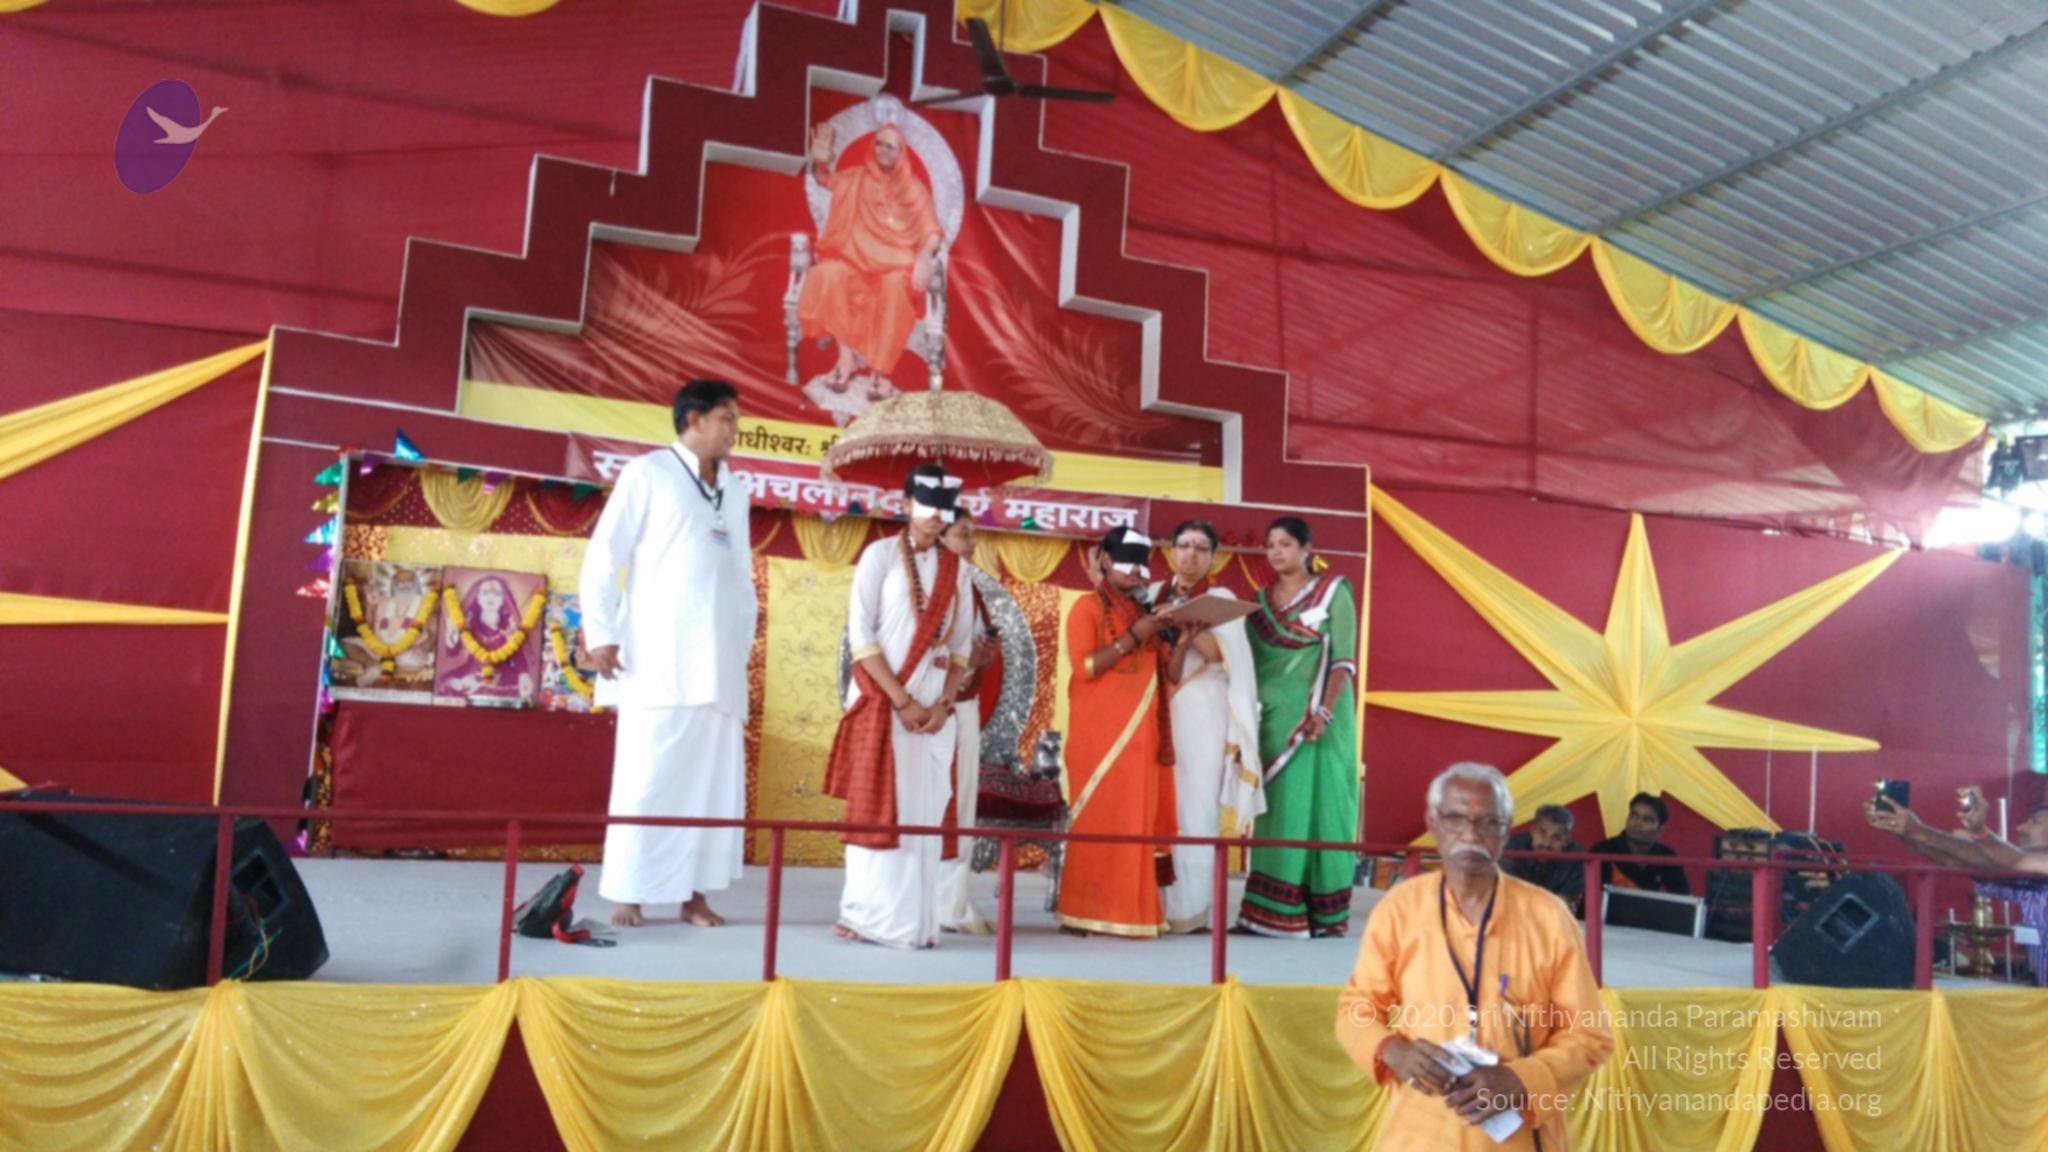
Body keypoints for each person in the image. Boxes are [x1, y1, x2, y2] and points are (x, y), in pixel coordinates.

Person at [1336, 763, 1614, 1150]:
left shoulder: (1548, 916)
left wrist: (1521, 1079)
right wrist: (1391, 1050)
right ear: (1432, 823)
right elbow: (1356, 1009)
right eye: (1455, 818)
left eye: (1488, 822)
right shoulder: (1401, 907)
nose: (1470, 835)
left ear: (1507, 829)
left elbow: (1590, 1035)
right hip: (1420, 1133)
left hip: (1517, 1136)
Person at [580, 379, 755, 929]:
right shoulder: (648, 473)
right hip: (658, 660)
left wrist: (739, 652)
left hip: (717, 667)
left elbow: (741, 579)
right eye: (727, 418)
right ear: (694, 419)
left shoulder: (735, 490)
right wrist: (601, 632)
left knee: (708, 788)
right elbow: (604, 556)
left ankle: (693, 896)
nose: (735, 429)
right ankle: (629, 894)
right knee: (648, 780)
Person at [825, 464, 974, 949]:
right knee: (880, 811)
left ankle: (915, 923)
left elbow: (961, 650)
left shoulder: (959, 570)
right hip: (884, 703)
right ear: (906, 504)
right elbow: (862, 637)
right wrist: (904, 702)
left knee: (922, 816)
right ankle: (865, 916)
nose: (934, 516)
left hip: (933, 714)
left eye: (942, 508)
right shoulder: (880, 556)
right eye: (924, 505)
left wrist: (944, 705)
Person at [1237, 517, 1360, 938]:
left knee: (1323, 807)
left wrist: (1324, 712)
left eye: (1285, 543)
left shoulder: (1334, 592)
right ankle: (1269, 913)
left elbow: (1343, 660)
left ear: (1306, 549)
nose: (1276, 551)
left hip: (1322, 721)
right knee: (1280, 810)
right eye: (1270, 544)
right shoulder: (1260, 603)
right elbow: (1246, 661)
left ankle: (1323, 915)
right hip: (1274, 721)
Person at [1055, 526, 1178, 938]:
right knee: (1101, 818)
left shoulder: (1147, 613)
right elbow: (1085, 668)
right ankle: (1085, 910)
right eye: (1127, 561)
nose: (1136, 571)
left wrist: (1184, 636)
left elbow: (1171, 673)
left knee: (1135, 821)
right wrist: (1134, 637)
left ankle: (1132, 911)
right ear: (1105, 560)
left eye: (1142, 564)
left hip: (1144, 737)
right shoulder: (1086, 607)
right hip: (1099, 736)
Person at [1152, 519, 1263, 933]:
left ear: (1213, 558)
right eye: (1185, 545)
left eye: (1201, 548)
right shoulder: (1151, 593)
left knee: (1196, 808)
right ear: (1172, 550)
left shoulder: (1221, 600)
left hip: (1202, 713)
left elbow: (1219, 654)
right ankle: (1150, 905)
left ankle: (1191, 910)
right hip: (1156, 711)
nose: (1191, 554)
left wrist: (1183, 623)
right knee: (1157, 806)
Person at [797, 120, 942, 392]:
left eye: (890, 146)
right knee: (828, 273)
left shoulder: (913, 188)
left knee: (894, 287)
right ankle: (846, 358)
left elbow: (931, 231)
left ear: (901, 152)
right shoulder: (856, 177)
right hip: (854, 263)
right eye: (879, 144)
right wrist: (818, 162)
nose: (883, 150)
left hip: (894, 270)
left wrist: (924, 256)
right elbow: (826, 179)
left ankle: (879, 370)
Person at [1867, 786, 2048, 986]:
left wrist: (1978, 831)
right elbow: (1962, 862)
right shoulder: (2031, 878)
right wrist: (1902, 831)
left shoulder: (2027, 866)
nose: (2021, 828)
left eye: (2035, 822)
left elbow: (2016, 860)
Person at [935, 513, 999, 935]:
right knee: (939, 808)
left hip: (963, 709)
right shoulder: (927, 586)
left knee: (960, 809)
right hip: (933, 711)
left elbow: (971, 654)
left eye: (974, 535)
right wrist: (965, 661)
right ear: (938, 536)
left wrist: (982, 659)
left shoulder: (969, 586)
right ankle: (938, 904)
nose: (973, 543)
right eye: (964, 535)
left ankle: (952, 902)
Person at [440, 575, 537, 700]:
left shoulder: (510, 626)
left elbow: (518, 656)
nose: (491, 597)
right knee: (448, 685)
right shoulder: (468, 624)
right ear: (478, 598)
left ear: (503, 599)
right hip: (470, 673)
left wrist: (523, 674)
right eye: (485, 593)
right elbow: (453, 653)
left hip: (503, 676)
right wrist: (451, 638)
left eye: (497, 594)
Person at [1590, 792, 1690, 896]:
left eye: (1647, 820)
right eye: (1634, 816)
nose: (1638, 823)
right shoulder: (1603, 851)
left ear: (1660, 830)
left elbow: (1683, 898)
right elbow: (1590, 898)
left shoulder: (1667, 857)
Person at [1502, 805, 1586, 919]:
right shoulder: (1511, 850)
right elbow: (1512, 901)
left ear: (1566, 841)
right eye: (1542, 833)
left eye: (1556, 838)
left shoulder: (1577, 857)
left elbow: (1565, 904)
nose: (1546, 843)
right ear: (1532, 831)